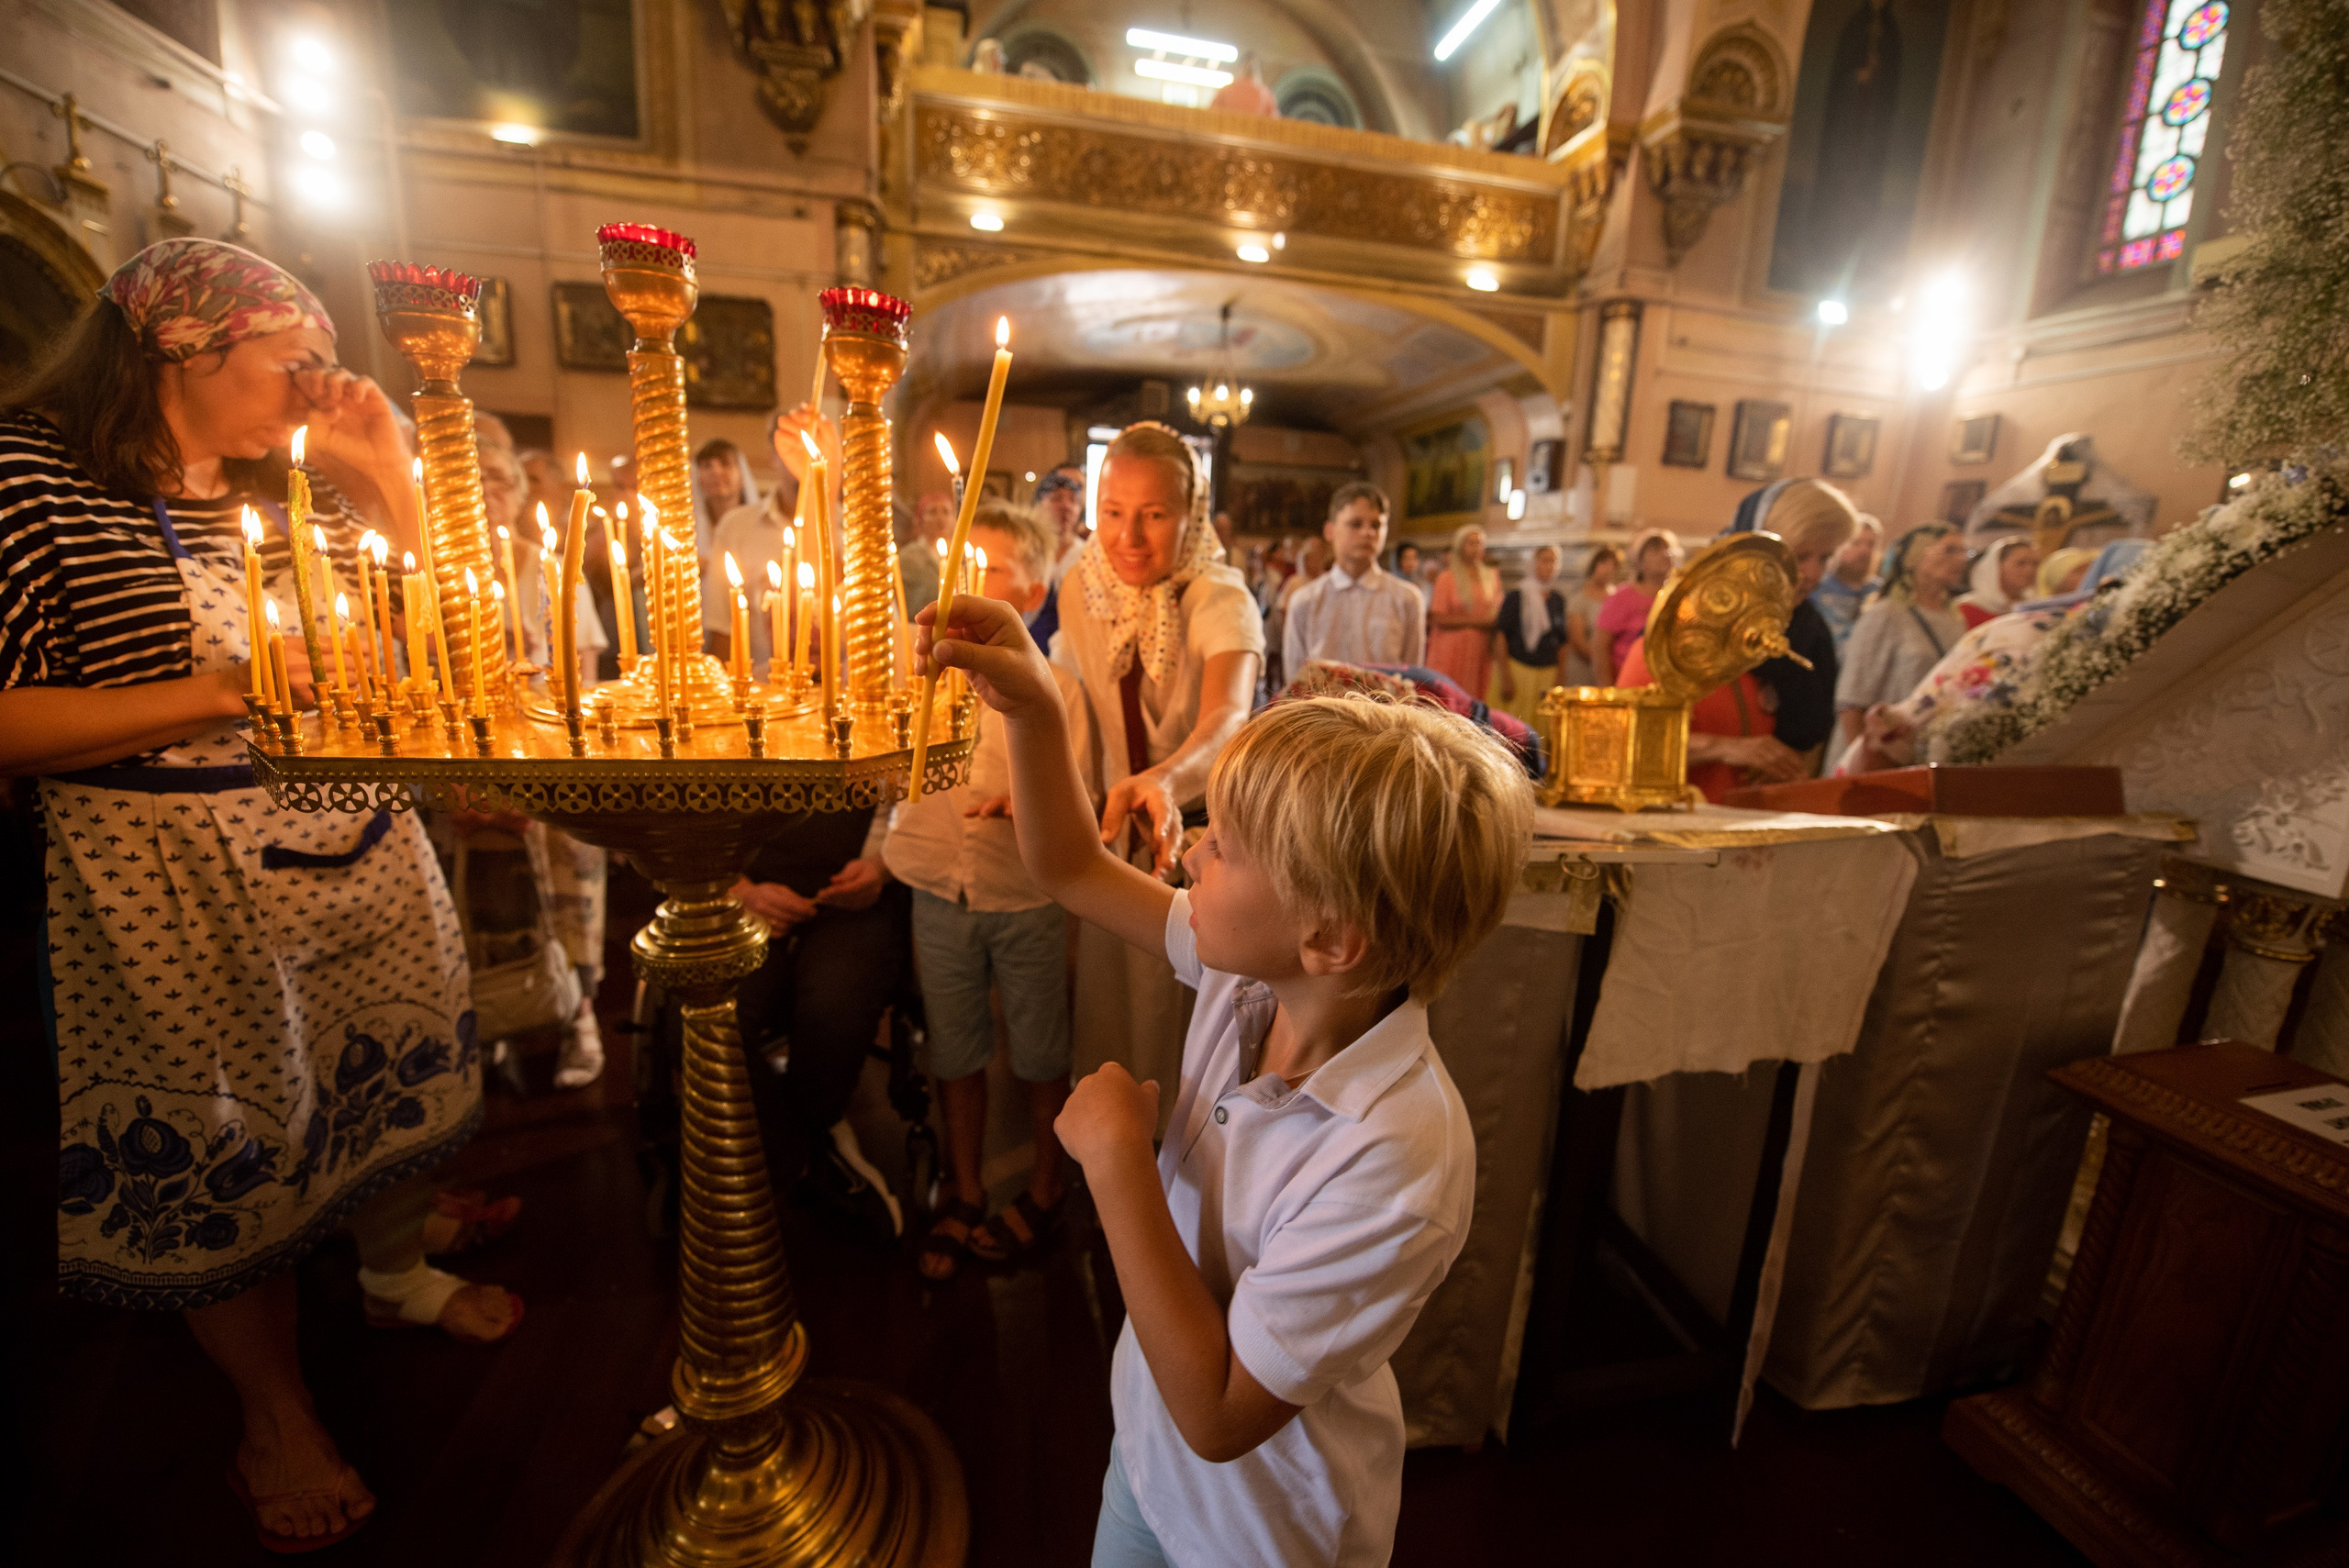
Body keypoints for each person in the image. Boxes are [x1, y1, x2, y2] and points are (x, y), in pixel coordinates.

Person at [1, 239, 518, 1551]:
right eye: (297, 361)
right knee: (225, 1149)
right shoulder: (28, 479)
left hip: (354, 847)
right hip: (169, 881)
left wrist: (385, 471)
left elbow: (454, 653)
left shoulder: (299, 482)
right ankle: (275, 1409)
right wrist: (226, 693)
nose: (319, 387)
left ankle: (392, 1272)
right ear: (179, 348)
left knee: (373, 1089)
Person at [918, 588, 1531, 1568]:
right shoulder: (1249, 977)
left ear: (1330, 937)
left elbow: (1220, 1412)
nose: (1194, 849)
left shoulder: (1398, 1153)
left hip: (1259, 1533)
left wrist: (1119, 1162)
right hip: (1148, 1456)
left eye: (1227, 847)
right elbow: (1071, 866)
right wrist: (1032, 706)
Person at [889, 500, 1093, 1280]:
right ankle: (966, 1186)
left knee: (1040, 1050)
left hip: (1023, 892)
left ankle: (1045, 1184)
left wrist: (1027, 800)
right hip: (937, 885)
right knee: (954, 1045)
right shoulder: (919, 678)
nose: (966, 581)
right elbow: (893, 774)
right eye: (959, 563)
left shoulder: (1059, 688)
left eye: (991, 568)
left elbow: (1080, 791)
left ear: (1034, 594)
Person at [1052, 422, 1265, 1115]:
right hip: (1116, 840)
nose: (1129, 537)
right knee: (1112, 1019)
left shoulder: (1219, 597)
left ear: (1192, 514)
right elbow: (1073, 709)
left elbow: (1227, 715)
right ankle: (1112, 1153)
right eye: (1113, 512)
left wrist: (1165, 782)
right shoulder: (1079, 588)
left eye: (1155, 515)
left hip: (1200, 840)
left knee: (1188, 1029)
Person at [466, 421, 609, 1088]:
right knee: (493, 899)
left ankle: (579, 1014)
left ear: (521, 494)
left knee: (568, 893)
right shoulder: (443, 573)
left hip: (555, 757)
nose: (488, 492)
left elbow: (586, 678)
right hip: (478, 762)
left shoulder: (551, 568)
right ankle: (496, 1018)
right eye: (476, 480)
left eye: (500, 480)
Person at [1836, 521, 1969, 741]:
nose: (1961, 559)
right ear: (1916, 556)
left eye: (1964, 552)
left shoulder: (1954, 619)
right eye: (1950, 550)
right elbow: (1852, 698)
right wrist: (1861, 753)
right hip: (1878, 745)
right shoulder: (1886, 614)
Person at [1279, 482, 1424, 674]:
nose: (1368, 532)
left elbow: (1411, 674)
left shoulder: (1406, 598)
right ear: (1330, 531)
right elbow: (1295, 675)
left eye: (1376, 525)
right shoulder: (1306, 600)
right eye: (1356, 524)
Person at [1491, 543, 1568, 721]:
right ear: (1534, 563)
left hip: (1547, 674)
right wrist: (1505, 676)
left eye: (1554, 562)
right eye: (1545, 561)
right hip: (1518, 671)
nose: (1550, 566)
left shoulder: (1557, 600)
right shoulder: (1517, 597)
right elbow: (1501, 636)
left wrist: (1560, 677)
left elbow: (1562, 641)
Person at [1427, 523, 1503, 699]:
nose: (1476, 548)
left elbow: (1497, 611)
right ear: (1460, 546)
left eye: (1479, 543)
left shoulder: (1492, 577)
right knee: (1448, 698)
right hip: (1451, 649)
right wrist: (1477, 622)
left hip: (1480, 648)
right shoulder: (1447, 578)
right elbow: (1438, 618)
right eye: (1471, 543)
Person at [1596, 528, 1680, 683]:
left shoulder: (1679, 596)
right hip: (1629, 682)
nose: (1665, 554)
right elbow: (1600, 646)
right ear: (1639, 562)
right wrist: (1606, 688)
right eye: (1655, 550)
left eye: (1668, 549)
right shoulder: (1623, 597)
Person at [1811, 515, 1881, 651]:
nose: (1864, 551)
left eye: (1871, 544)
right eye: (1856, 543)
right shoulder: (1817, 586)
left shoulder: (1880, 592)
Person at [690, 437, 759, 563]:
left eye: (725, 464)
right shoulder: (689, 530)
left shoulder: (760, 526)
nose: (716, 472)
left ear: (742, 476)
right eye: (707, 466)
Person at [1563, 542, 1620, 686]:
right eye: (1604, 563)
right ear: (1593, 565)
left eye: (1612, 565)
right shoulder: (1579, 600)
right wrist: (1602, 663)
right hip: (1584, 668)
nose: (1608, 569)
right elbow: (1578, 642)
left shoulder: (1618, 598)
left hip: (1612, 669)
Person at [1954, 533, 2041, 629]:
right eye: (2021, 563)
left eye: (2035, 563)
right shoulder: (1967, 608)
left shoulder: (2036, 605)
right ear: (1996, 567)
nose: (2030, 570)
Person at [901, 488, 953, 620]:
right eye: (933, 512)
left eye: (946, 512)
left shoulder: (960, 554)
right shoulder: (909, 557)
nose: (940, 518)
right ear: (920, 519)